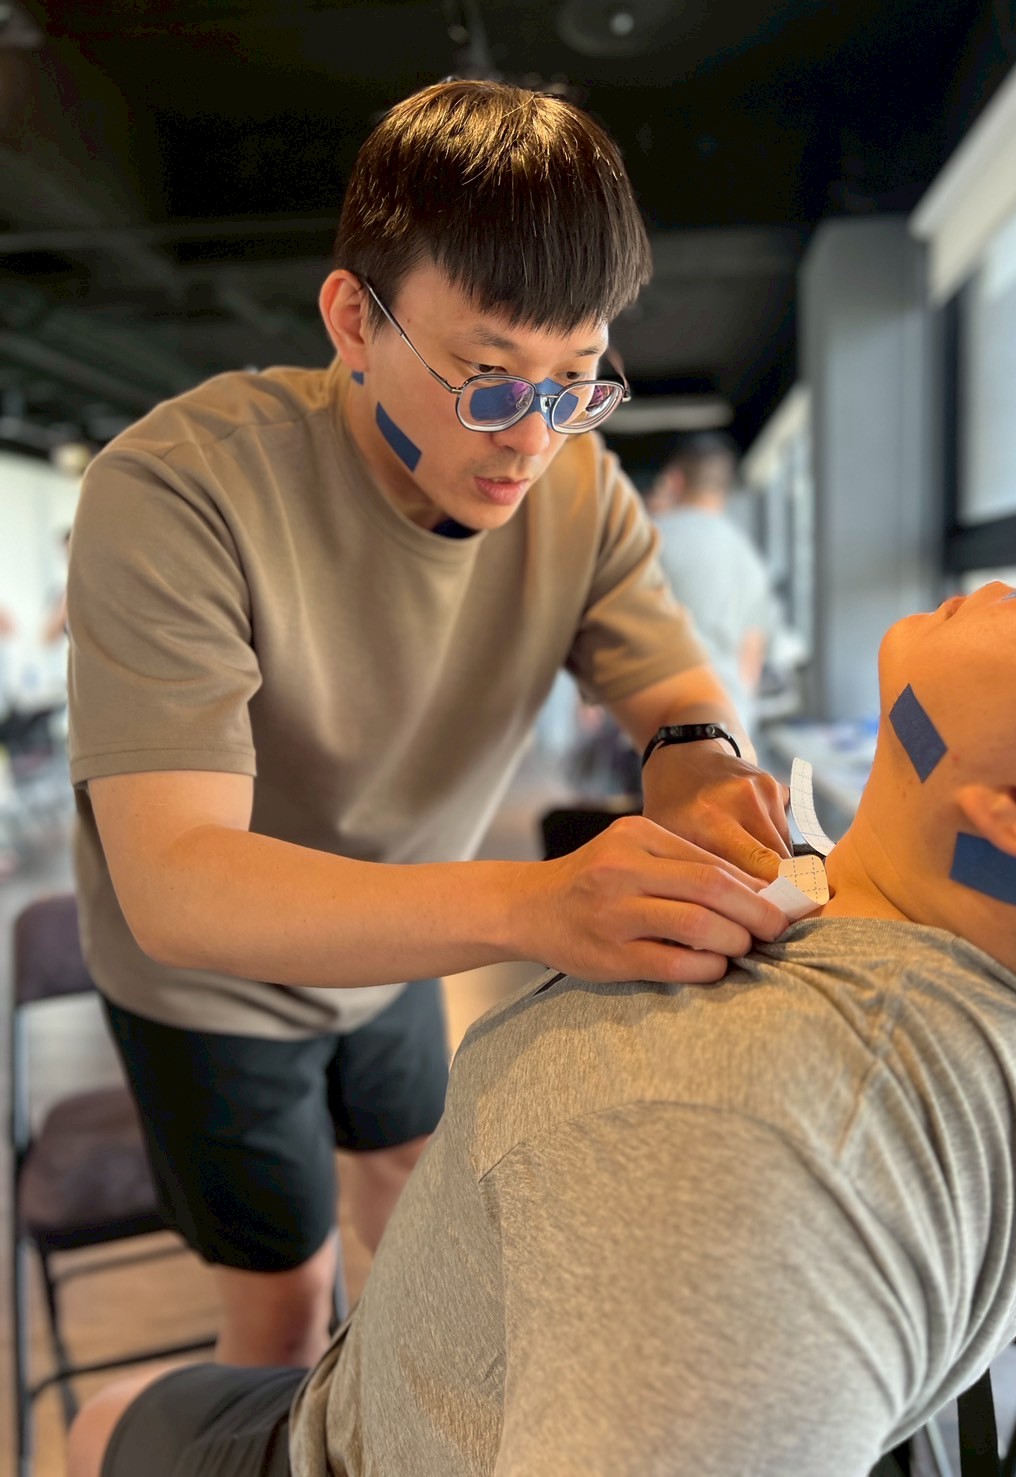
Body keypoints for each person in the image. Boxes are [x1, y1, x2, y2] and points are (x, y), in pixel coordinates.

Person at [67, 551, 1016, 1476]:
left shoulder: (714, 1133)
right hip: (409, 1371)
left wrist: (527, 902)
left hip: (347, 1445)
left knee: (102, 1423)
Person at [64, 77, 792, 1371]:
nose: (533, 439)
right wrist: (535, 904)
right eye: (489, 379)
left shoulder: (581, 488)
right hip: (210, 978)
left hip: (395, 931)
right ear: (355, 319)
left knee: (413, 1202)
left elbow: (678, 688)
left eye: (577, 379)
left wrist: (701, 765)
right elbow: (176, 883)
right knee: (285, 1303)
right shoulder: (179, 491)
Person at [651, 433, 773, 750]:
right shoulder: (749, 556)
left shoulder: (653, 538)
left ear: (676, 480)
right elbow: (751, 655)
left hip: (662, 722)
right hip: (731, 725)